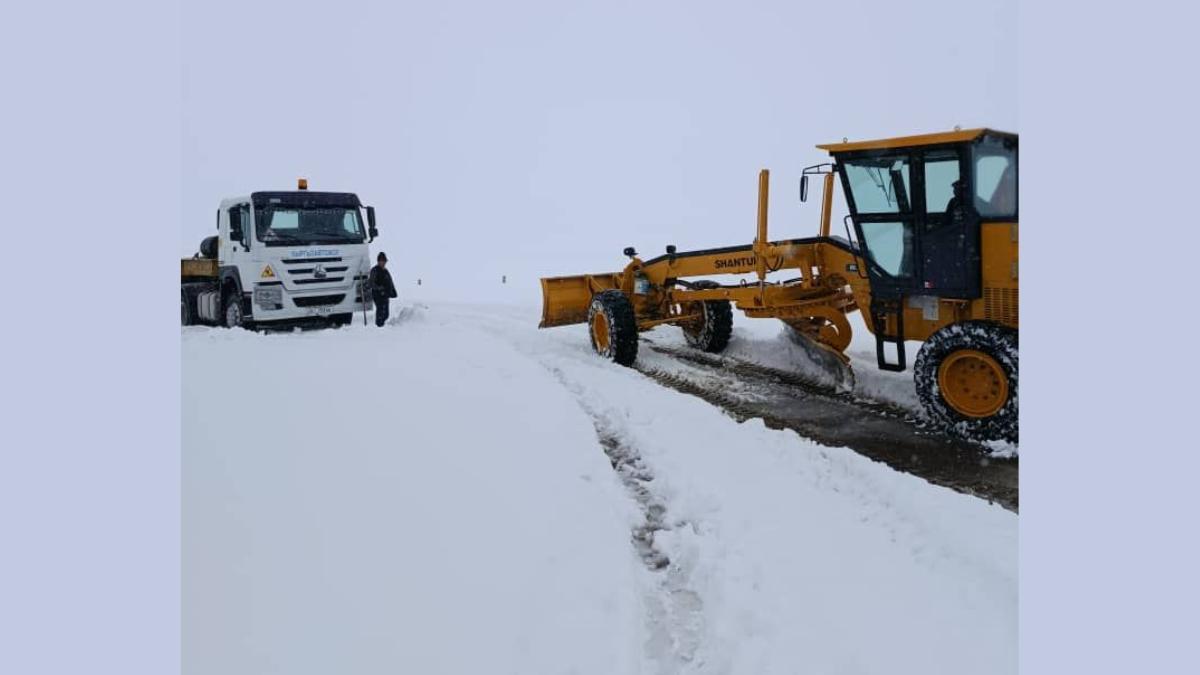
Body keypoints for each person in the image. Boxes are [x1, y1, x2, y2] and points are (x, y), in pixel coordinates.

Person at [368, 252, 398, 327]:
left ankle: (382, 325)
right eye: (382, 261)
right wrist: (380, 288)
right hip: (377, 294)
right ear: (378, 261)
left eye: (385, 261)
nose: (384, 263)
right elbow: (371, 283)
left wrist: (393, 292)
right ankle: (379, 326)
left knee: (386, 314)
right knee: (381, 310)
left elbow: (390, 281)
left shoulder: (386, 271)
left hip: (386, 294)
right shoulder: (374, 270)